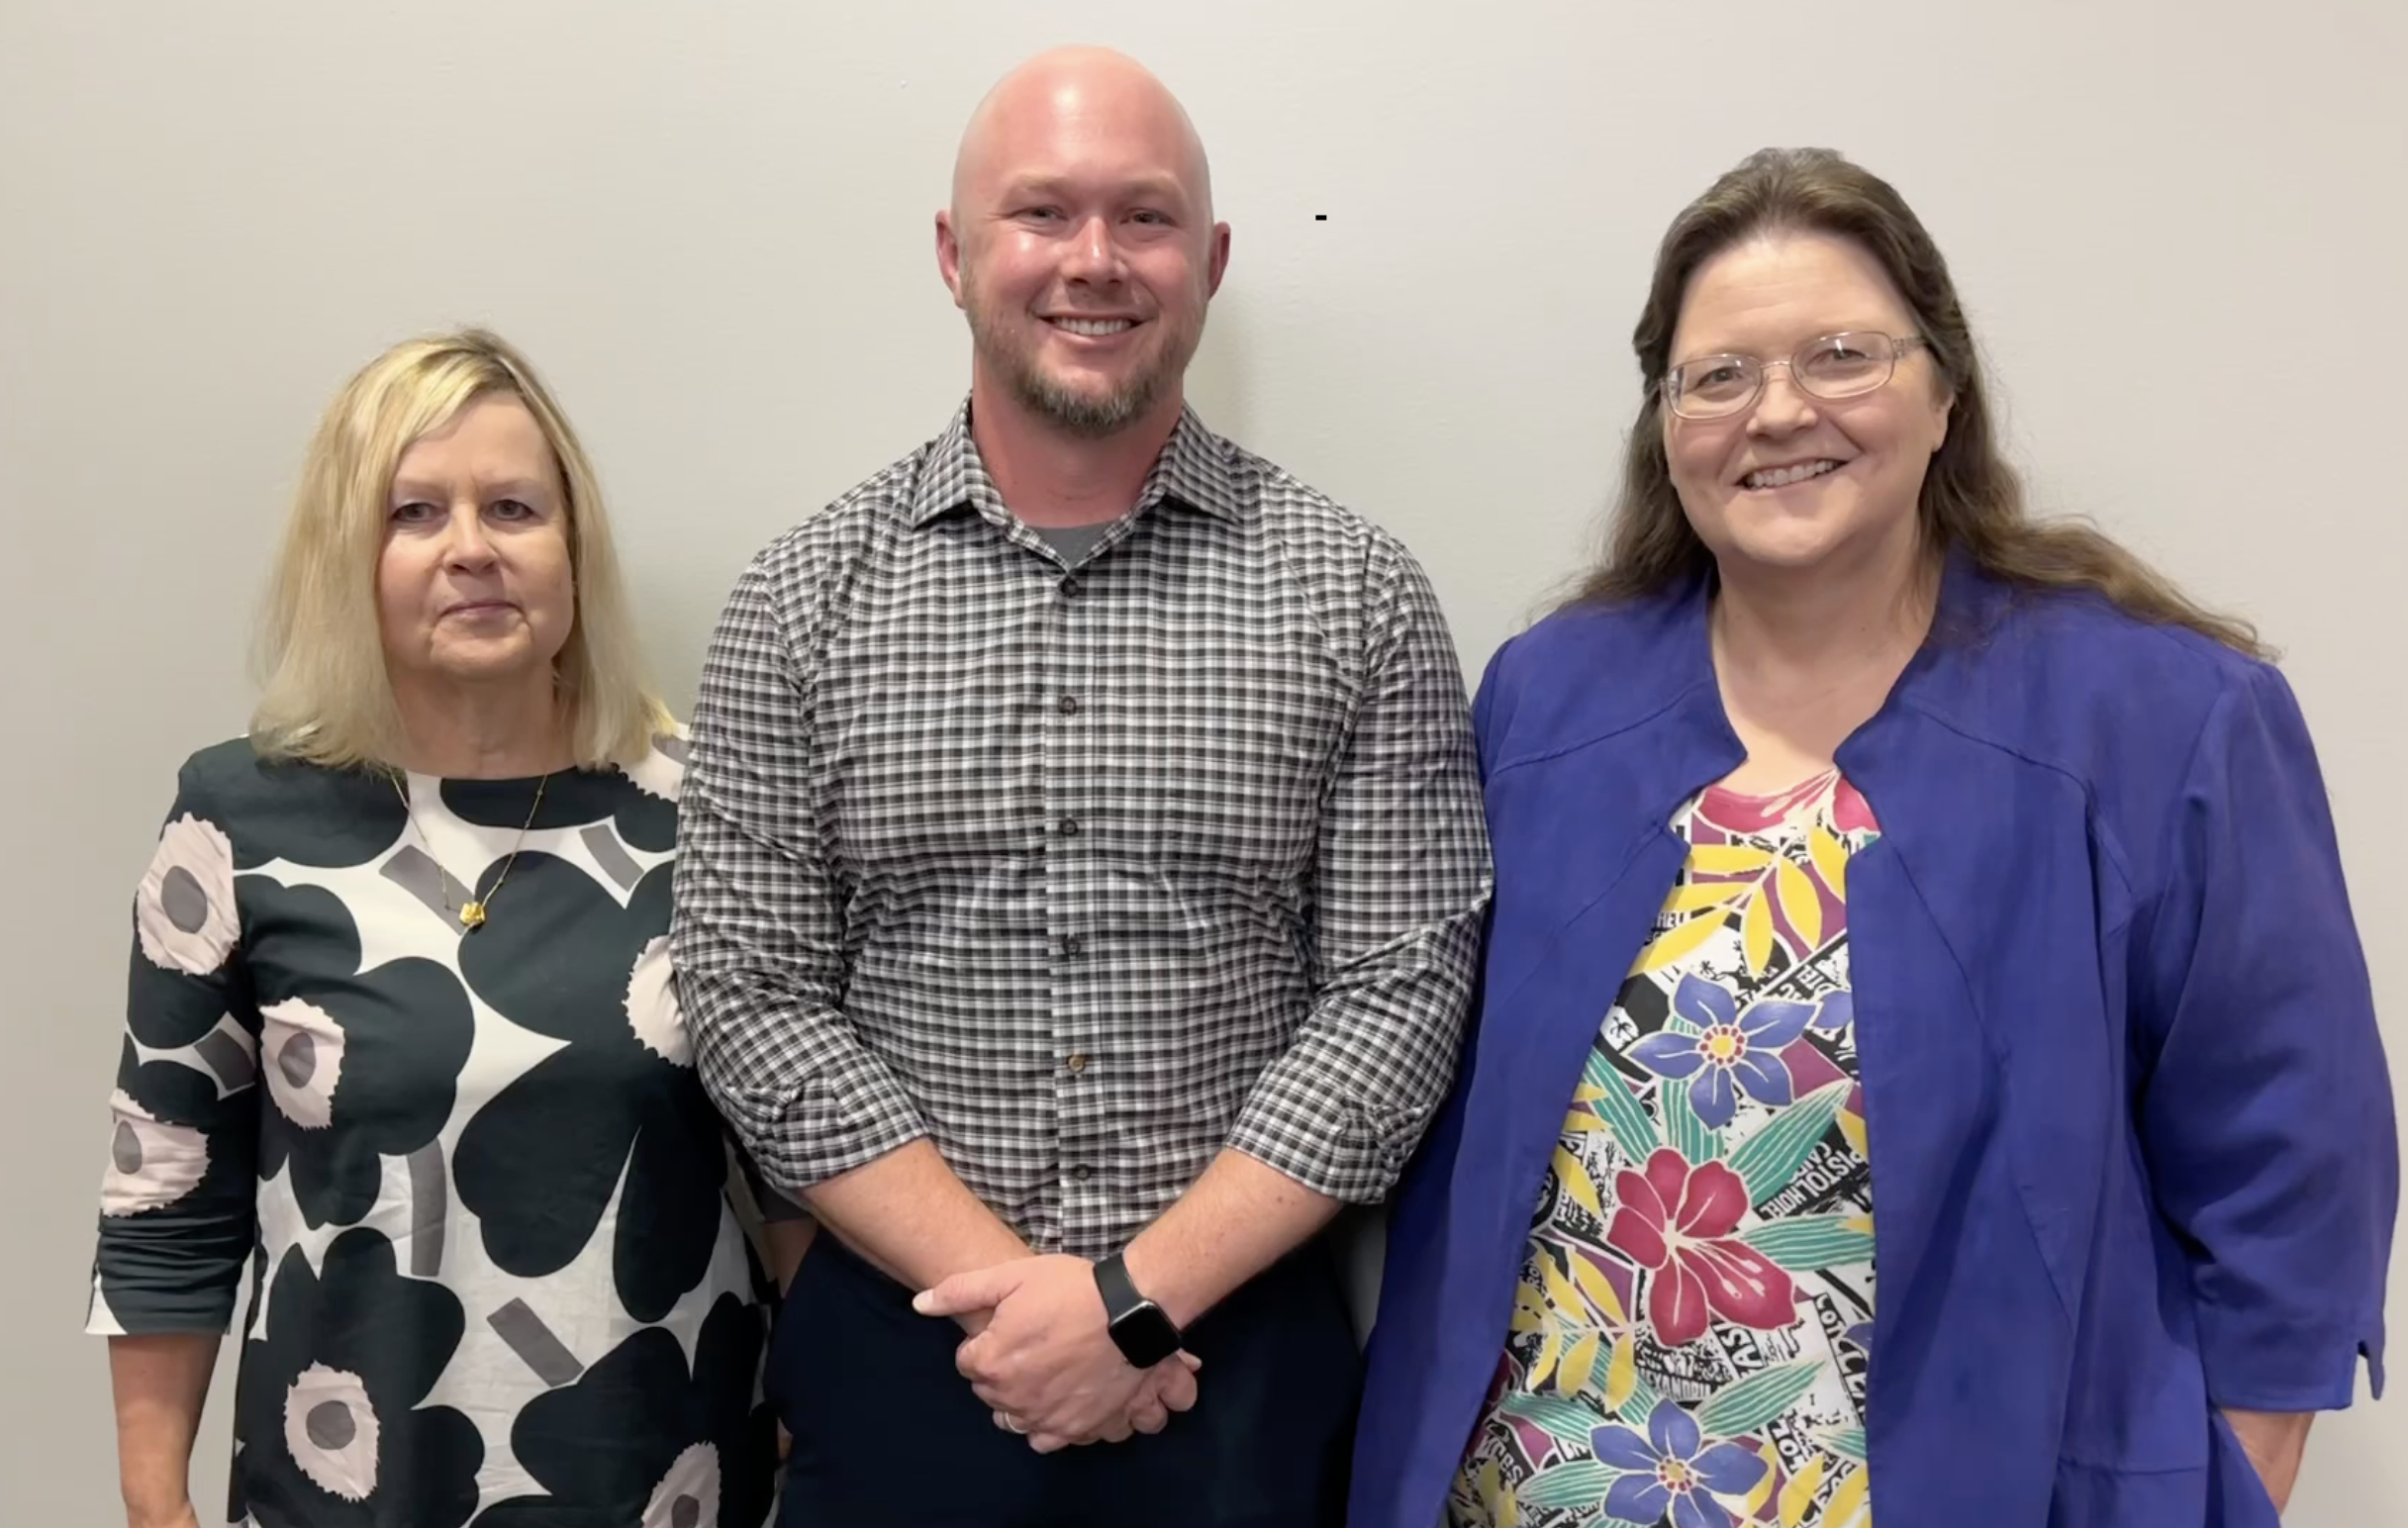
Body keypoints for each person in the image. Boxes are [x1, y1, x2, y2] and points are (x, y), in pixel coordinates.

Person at [1351, 147, 2395, 1528]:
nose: (1779, 410)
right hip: (1547, 1487)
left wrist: (2223, 1488)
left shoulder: (2161, 717)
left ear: (1944, 391)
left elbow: (2289, 1173)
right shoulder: (1547, 697)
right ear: (1665, 424)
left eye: (1841, 356)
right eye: (1718, 375)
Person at [672, 45, 1491, 1528]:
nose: (1094, 259)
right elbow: (751, 991)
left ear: (1211, 261)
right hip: (908, 1353)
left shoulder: (1356, 594)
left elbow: (1397, 990)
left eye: (1145, 216)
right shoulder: (798, 604)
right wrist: (1027, 1311)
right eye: (1042, 212)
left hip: (1238, 1369)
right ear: (953, 252)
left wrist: (1130, 1303)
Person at [91, 331, 777, 1528]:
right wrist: (156, 1505)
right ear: (348, 554)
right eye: (414, 512)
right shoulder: (236, 820)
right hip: (340, 1487)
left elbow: (807, 1178)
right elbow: (166, 1194)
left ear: (573, 547)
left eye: (513, 507)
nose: (472, 548)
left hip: (667, 1481)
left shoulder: (710, 809)